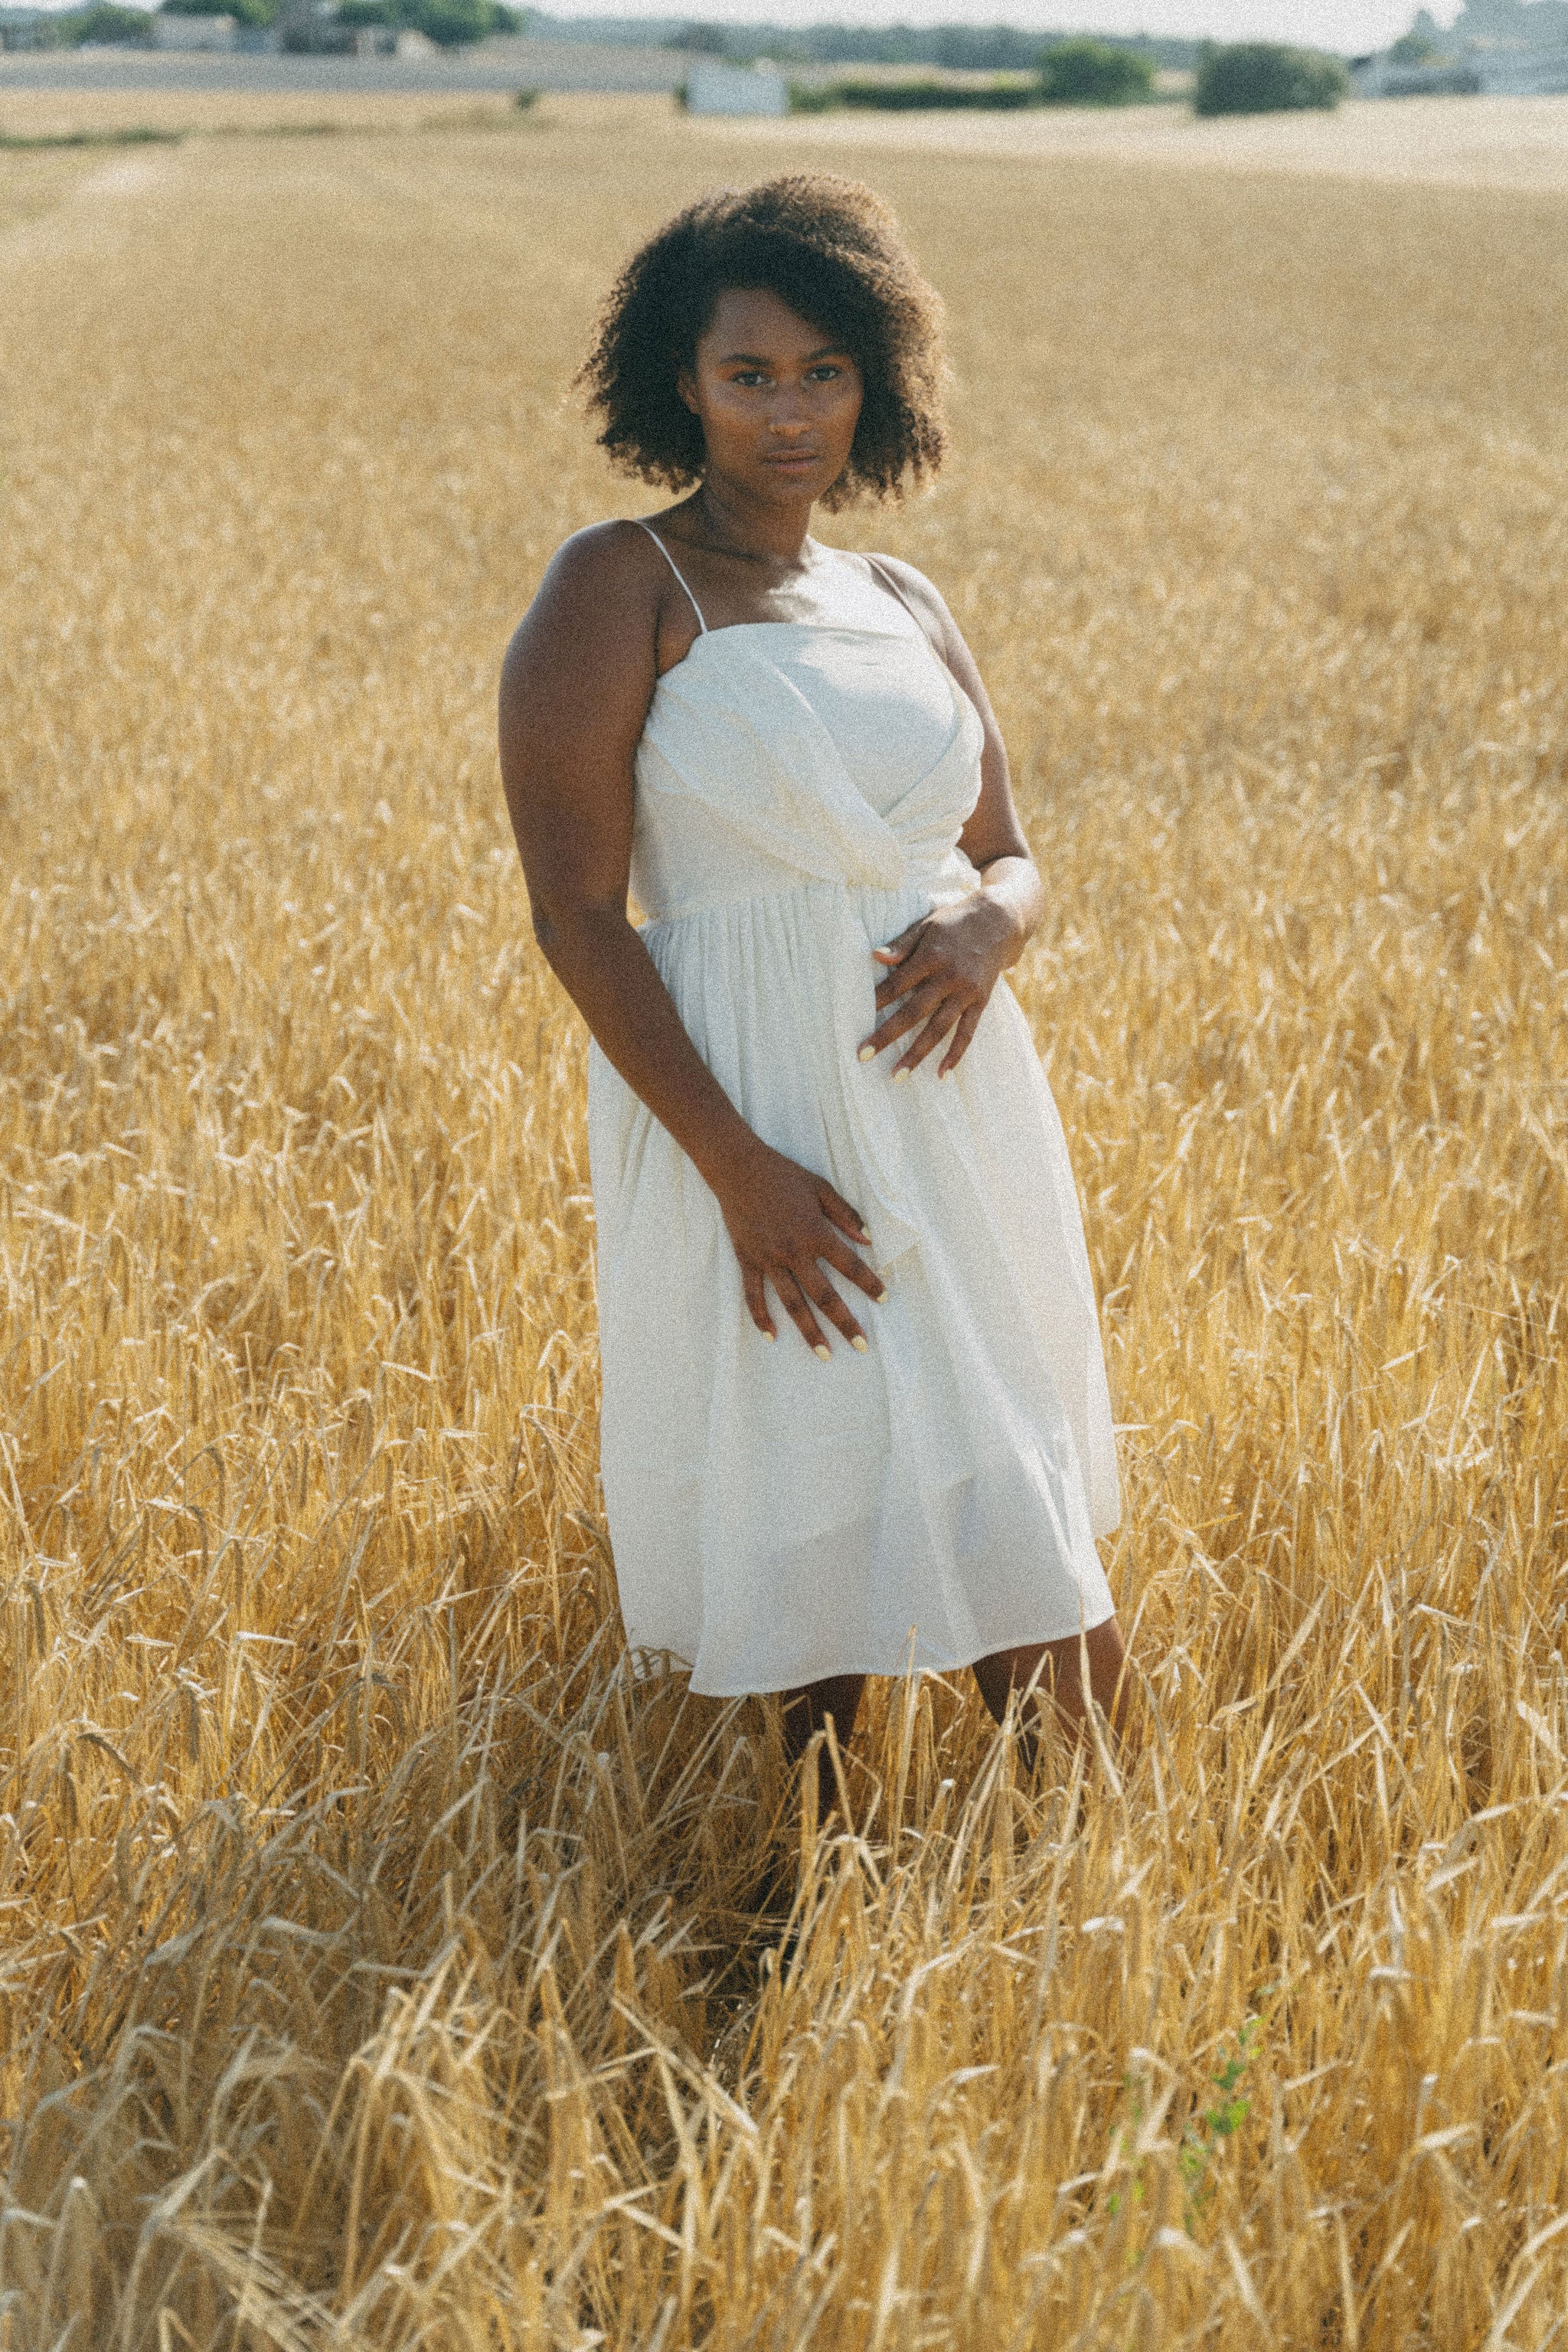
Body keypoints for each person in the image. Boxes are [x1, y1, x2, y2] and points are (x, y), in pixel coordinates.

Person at [498, 174, 1125, 1806]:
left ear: (878, 383)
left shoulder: (902, 597)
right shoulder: (618, 585)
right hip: (750, 1101)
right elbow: (578, 912)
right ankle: (812, 1886)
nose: (789, 413)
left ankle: (1111, 1890)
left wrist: (993, 930)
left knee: (1007, 1464)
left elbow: (1008, 851)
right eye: (748, 375)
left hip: (954, 1096)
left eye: (823, 373)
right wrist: (734, 1168)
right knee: (809, 1466)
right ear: (678, 387)